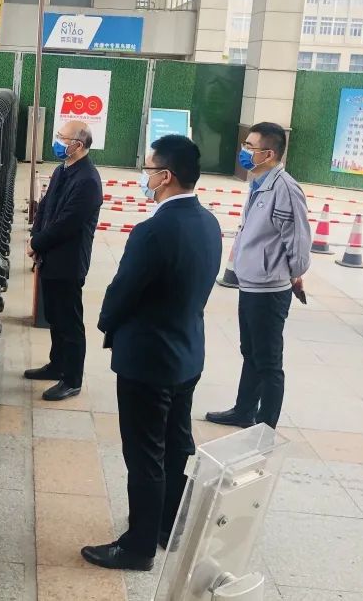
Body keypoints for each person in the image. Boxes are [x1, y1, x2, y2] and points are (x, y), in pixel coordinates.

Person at [82, 135, 222, 571]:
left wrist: (106, 321)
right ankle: (165, 526)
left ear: (165, 176)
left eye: (148, 170)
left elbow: (124, 289)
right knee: (176, 445)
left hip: (148, 360)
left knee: (145, 454)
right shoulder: (208, 222)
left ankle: (138, 547)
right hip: (186, 352)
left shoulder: (153, 230)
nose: (144, 177)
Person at [206, 121, 312, 430]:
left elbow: (298, 240)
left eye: (250, 147)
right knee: (250, 352)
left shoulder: (285, 189)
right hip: (251, 283)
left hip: (269, 289)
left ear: (269, 154)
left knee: (268, 361)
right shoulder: (259, 184)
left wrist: (293, 274)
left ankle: (265, 427)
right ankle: (243, 411)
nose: (244, 152)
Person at [24, 120, 103, 401]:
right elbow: (46, 207)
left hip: (68, 262)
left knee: (69, 322)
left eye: (62, 137)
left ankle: (72, 379)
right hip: (50, 256)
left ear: (77, 145)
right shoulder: (63, 170)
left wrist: (38, 243)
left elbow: (67, 223)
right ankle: (56, 364)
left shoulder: (88, 181)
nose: (57, 141)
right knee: (55, 317)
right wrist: (35, 237)